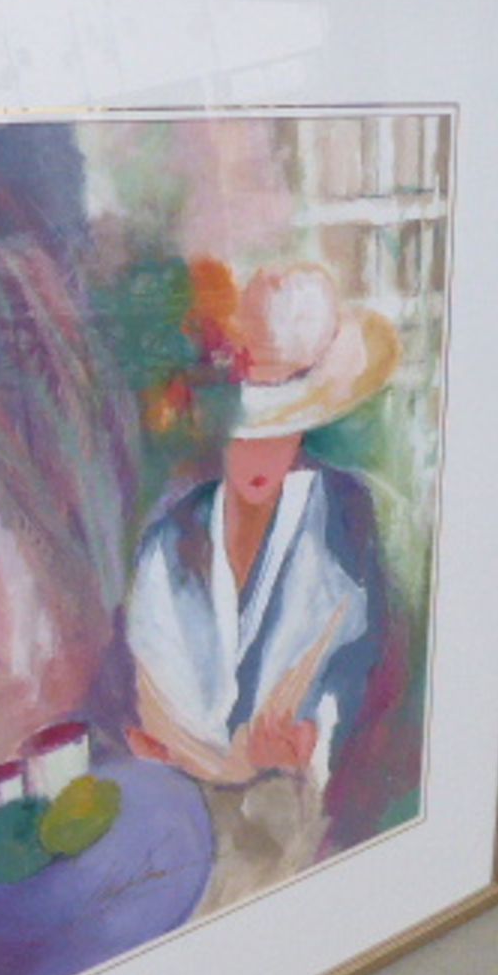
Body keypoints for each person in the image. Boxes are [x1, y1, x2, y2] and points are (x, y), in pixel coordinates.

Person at [123, 262, 397, 803]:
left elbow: (364, 666)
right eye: (246, 433)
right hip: (182, 805)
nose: (261, 455)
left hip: (306, 814)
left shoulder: (346, 518)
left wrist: (311, 739)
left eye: (282, 429)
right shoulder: (171, 539)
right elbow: (146, 692)